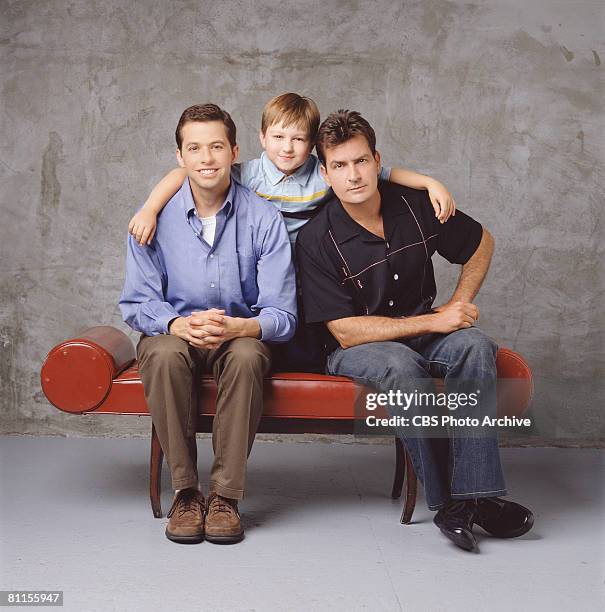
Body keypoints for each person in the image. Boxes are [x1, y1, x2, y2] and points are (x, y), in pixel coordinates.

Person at [295, 109, 534, 553]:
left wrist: (459, 303)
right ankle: (450, 505)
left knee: (476, 347)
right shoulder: (315, 239)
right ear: (325, 174)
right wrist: (434, 320)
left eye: (361, 161)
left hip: (425, 330)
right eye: (340, 166)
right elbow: (345, 332)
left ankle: (477, 497)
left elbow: (482, 243)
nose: (353, 175)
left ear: (376, 159)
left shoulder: (413, 203)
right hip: (355, 347)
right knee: (400, 364)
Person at [127, 93, 458, 371]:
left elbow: (381, 172)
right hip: (263, 276)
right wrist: (150, 209)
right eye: (278, 137)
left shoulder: (324, 174)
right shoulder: (248, 174)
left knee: (302, 336)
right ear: (262, 138)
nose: (287, 148)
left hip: (308, 277)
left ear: (312, 145)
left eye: (299, 139)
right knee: (268, 329)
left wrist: (429, 182)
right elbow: (186, 172)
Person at [119, 103, 296, 545]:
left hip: (236, 336)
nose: (207, 158)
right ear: (180, 158)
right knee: (159, 352)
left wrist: (239, 327)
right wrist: (177, 323)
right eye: (194, 148)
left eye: (216, 146)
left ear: (234, 151)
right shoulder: (150, 222)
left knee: (249, 355)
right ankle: (185, 492)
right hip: (175, 335)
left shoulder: (264, 218)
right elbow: (136, 303)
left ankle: (224, 497)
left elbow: (284, 315)